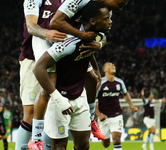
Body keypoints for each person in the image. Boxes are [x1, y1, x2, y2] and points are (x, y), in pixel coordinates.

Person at [33, 1, 112, 149]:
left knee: (83, 146)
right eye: (106, 19)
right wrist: (58, 99)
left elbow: (90, 51)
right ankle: (35, 138)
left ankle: (91, 115)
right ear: (93, 21)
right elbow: (38, 68)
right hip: (60, 100)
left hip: (80, 97)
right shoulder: (68, 42)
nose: (110, 21)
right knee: (60, 147)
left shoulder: (95, 38)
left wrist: (96, 66)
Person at [50, 0, 130, 139]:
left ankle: (92, 117)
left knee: (92, 78)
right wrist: (81, 35)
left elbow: (101, 37)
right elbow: (55, 22)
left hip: (76, 47)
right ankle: (36, 136)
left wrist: (98, 46)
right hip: (54, 41)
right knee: (48, 84)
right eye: (121, 4)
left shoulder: (106, 10)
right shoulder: (79, 1)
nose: (121, 9)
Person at [15, 0, 67, 150]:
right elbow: (31, 26)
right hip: (32, 60)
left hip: (57, 61)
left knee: (51, 115)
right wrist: (47, 33)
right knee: (31, 114)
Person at [95, 62, 138, 150]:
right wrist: (99, 115)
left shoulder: (119, 82)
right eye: (109, 65)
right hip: (104, 116)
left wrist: (132, 105)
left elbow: (125, 94)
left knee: (117, 139)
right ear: (104, 70)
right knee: (106, 144)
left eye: (113, 65)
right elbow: (92, 100)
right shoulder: (100, 83)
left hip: (117, 115)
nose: (113, 65)